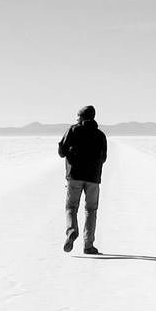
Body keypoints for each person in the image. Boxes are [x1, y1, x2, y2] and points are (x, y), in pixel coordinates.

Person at [58, 105, 108, 254]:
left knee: (71, 207)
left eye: (78, 116)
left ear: (82, 117)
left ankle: (72, 231)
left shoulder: (73, 130)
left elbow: (62, 151)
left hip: (74, 176)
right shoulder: (100, 135)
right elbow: (104, 157)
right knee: (91, 210)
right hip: (93, 179)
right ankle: (88, 245)